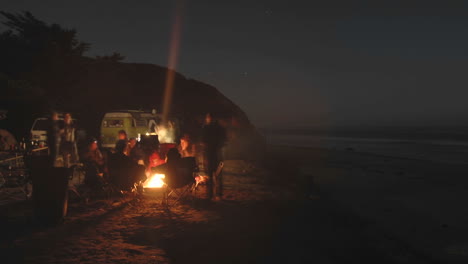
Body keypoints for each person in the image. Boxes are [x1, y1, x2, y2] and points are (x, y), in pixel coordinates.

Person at [201, 113, 226, 200]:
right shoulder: (219, 128)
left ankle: (211, 195)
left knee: (211, 175)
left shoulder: (207, 128)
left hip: (211, 154)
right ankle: (217, 194)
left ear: (209, 118)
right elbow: (224, 141)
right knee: (216, 175)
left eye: (208, 118)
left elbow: (203, 142)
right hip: (216, 154)